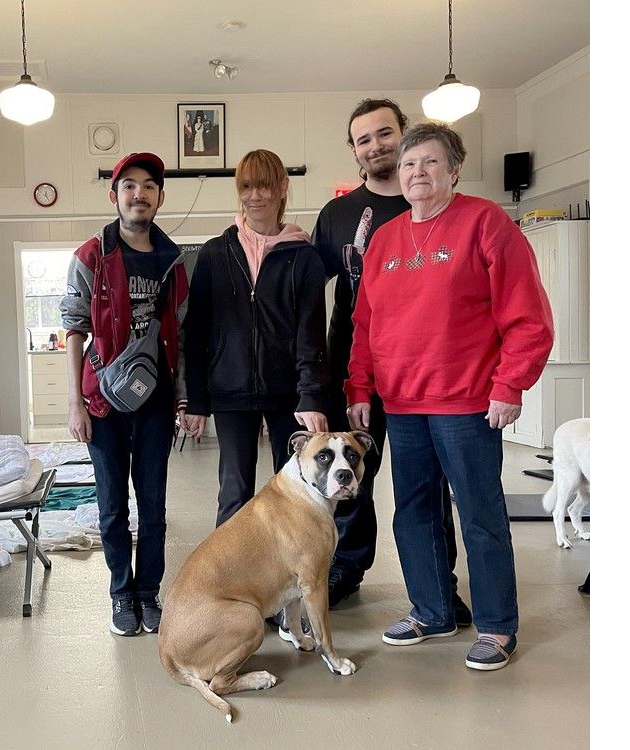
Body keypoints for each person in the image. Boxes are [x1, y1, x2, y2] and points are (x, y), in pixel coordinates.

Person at [345, 122, 553, 671]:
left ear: (454, 170)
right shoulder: (385, 239)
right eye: (411, 164)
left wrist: (510, 384)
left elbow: (527, 316)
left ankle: (496, 625)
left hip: (467, 402)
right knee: (412, 512)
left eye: (431, 163)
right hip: (402, 403)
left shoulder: (485, 222)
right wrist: (360, 386)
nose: (418, 173)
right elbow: (364, 323)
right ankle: (433, 609)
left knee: (480, 514)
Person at [312, 99, 470, 622]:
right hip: (354, 369)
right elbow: (313, 295)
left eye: (385, 135)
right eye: (364, 139)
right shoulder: (336, 216)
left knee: (428, 484)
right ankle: (347, 570)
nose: (376, 146)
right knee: (348, 476)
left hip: (426, 372)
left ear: (404, 137)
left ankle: (438, 587)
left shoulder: (430, 203)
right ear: (354, 151)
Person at [60, 152, 189, 637]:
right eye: (129, 186)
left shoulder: (171, 260)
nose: (140, 194)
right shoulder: (90, 256)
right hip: (103, 403)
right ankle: (120, 594)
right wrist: (74, 404)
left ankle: (147, 595)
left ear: (159, 196)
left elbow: (180, 335)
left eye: (149, 186)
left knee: (152, 505)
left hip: (155, 404)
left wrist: (182, 399)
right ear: (114, 196)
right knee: (113, 505)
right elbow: (73, 329)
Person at [181, 148, 328, 528]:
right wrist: (195, 400)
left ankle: (289, 578)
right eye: (246, 187)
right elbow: (194, 331)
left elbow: (312, 335)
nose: (254, 196)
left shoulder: (304, 257)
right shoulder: (215, 254)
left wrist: (311, 396)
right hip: (229, 393)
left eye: (263, 186)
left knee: (296, 493)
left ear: (282, 188)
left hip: (287, 395)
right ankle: (228, 580)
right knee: (234, 492)